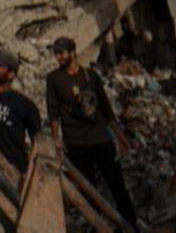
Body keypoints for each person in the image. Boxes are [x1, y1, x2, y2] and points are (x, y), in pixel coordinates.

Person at [46, 36, 138, 227]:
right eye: (56, 54)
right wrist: (56, 141)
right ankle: (97, 226)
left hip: (101, 139)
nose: (59, 57)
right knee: (89, 191)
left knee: (116, 185)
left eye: (62, 53)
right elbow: (53, 112)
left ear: (72, 52)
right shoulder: (54, 79)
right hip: (76, 143)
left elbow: (106, 110)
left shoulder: (91, 76)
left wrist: (121, 139)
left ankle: (131, 225)